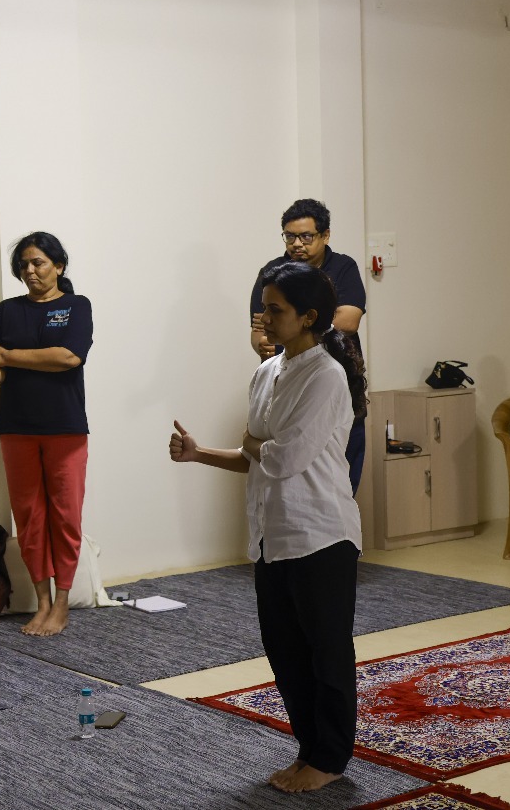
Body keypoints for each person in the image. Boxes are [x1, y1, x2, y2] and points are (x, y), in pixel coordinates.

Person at [171, 261, 365, 794]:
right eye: (262, 308)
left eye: (275, 309)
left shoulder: (325, 375)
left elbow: (284, 458)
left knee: (326, 653)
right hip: (271, 535)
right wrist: (199, 454)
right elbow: (255, 456)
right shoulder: (267, 372)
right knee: (286, 655)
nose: (264, 317)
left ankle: (330, 758)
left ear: (308, 317)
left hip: (320, 534)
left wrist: (257, 446)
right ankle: (309, 750)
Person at [0, 231, 93, 637]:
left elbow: (68, 357)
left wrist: (10, 357)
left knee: (65, 517)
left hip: (65, 428)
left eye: (38, 262)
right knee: (30, 518)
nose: (30, 271)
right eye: (23, 265)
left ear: (59, 265)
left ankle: (62, 603)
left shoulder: (76, 306)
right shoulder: (8, 310)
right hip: (16, 428)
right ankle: (41, 602)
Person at [249, 198, 367, 494]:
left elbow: (350, 320)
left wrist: (296, 325)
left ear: (325, 235)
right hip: (287, 381)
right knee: (285, 473)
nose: (297, 244)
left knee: (336, 481)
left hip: (333, 377)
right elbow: (259, 333)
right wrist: (268, 340)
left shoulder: (342, 267)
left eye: (305, 236)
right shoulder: (273, 273)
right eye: (290, 236)